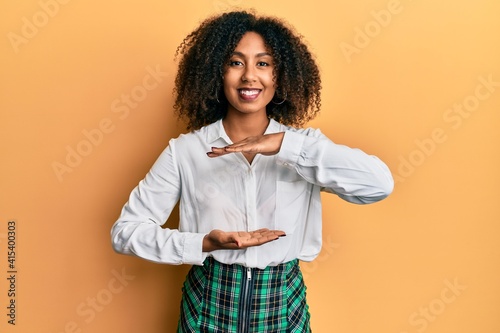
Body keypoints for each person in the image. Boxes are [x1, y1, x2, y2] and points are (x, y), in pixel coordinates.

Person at [111, 10, 394, 332]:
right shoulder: (186, 151)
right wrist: (204, 243)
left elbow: (378, 185)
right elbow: (126, 232)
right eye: (235, 62)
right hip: (207, 305)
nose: (249, 76)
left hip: (283, 305)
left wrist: (284, 146)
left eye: (263, 63)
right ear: (215, 72)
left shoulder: (306, 146)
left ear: (281, 74)